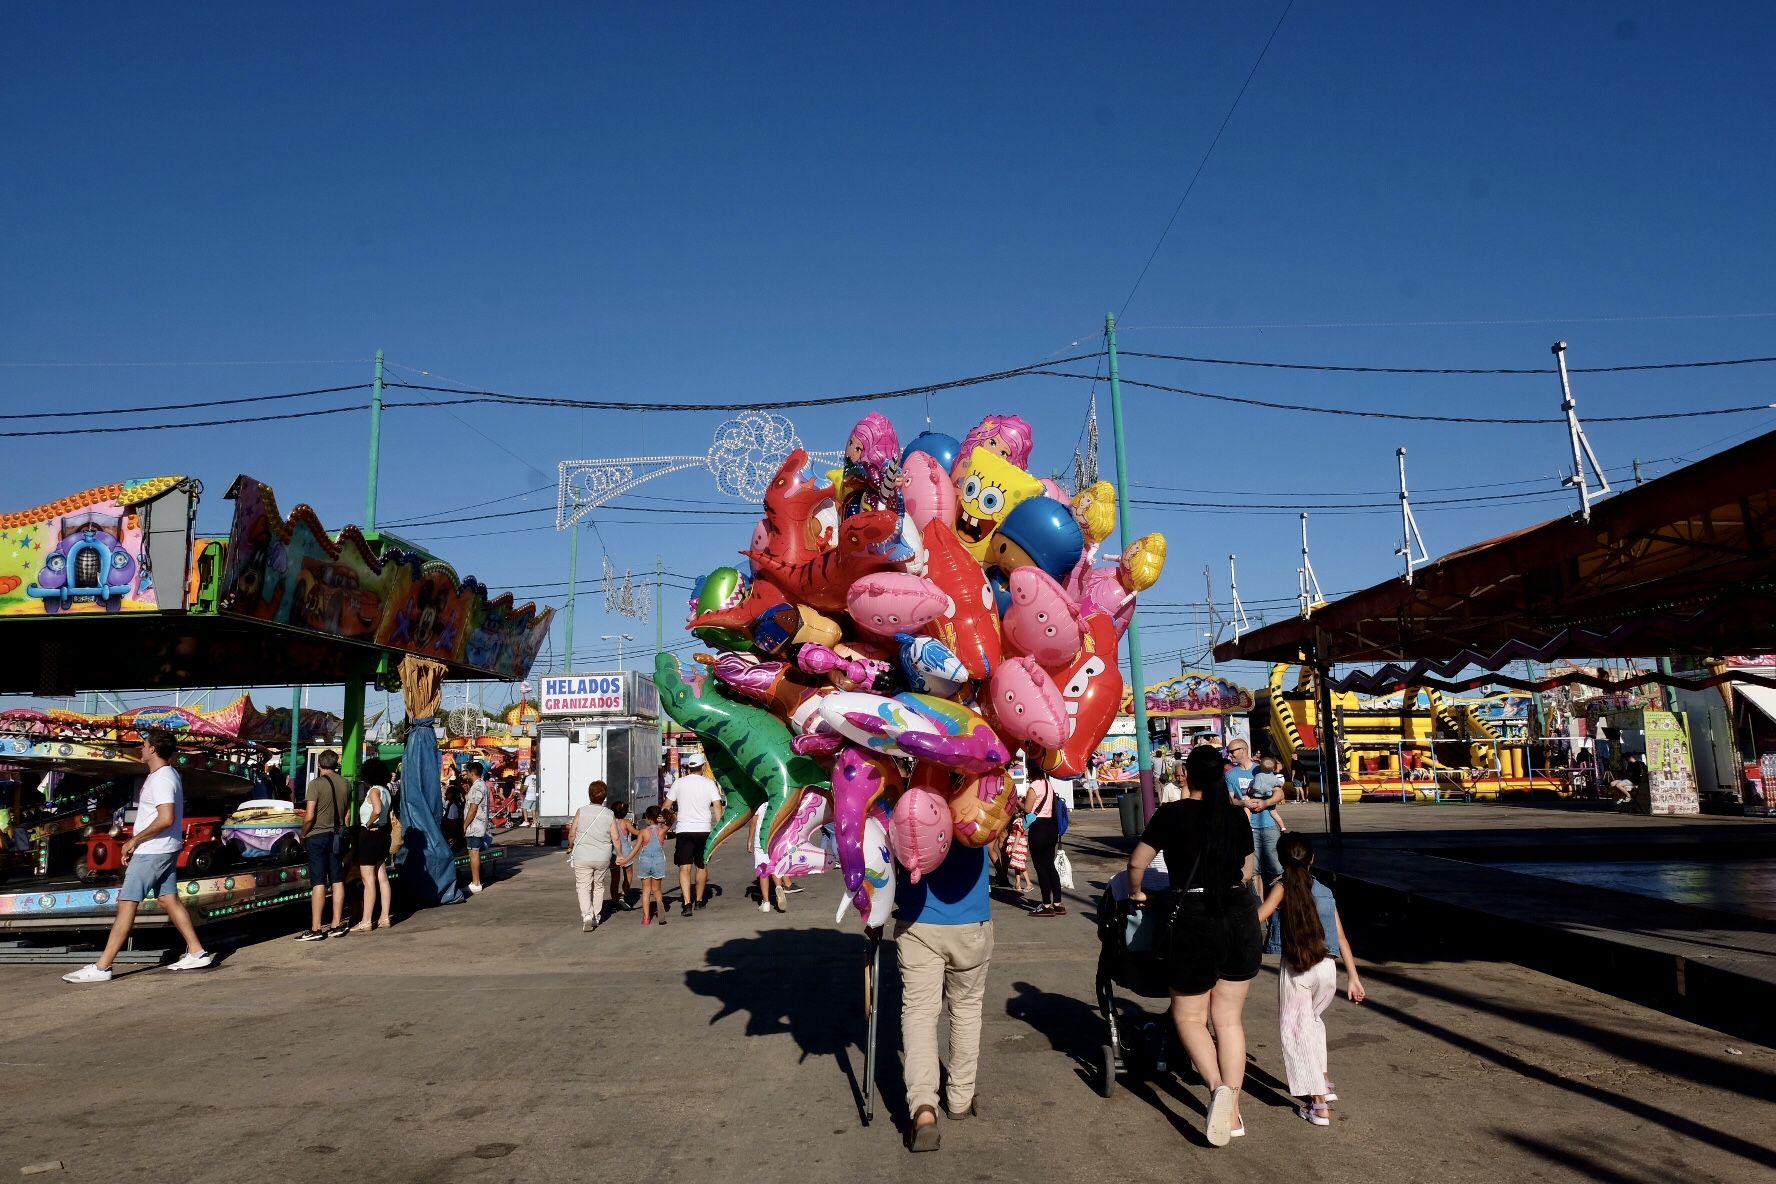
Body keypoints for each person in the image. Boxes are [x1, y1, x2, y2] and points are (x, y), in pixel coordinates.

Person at [1126, 745, 1262, 1147]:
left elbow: (1137, 863)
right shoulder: (1236, 815)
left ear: (1187, 774)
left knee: (1189, 1017)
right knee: (1229, 1021)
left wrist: (1137, 893)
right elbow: (1249, 869)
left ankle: (1218, 1089)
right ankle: (1234, 1111)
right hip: (1238, 914)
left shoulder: (1171, 814)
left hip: (1194, 918)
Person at [62, 730, 215, 983]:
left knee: (126, 904)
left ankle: (102, 967)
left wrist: (134, 840)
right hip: (162, 848)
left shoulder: (161, 779)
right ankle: (197, 952)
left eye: (143, 745)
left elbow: (166, 818)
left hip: (152, 850)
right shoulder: (168, 775)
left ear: (153, 749)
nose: (140, 749)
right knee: (169, 900)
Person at [1257, 834, 1365, 1126]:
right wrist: (1353, 977)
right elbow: (1341, 937)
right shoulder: (1326, 891)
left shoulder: (1281, 889)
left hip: (1298, 968)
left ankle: (1318, 1105)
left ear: (1281, 860)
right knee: (1313, 1024)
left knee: (1295, 1031)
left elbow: (1258, 918)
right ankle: (1325, 1084)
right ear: (1312, 859)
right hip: (1328, 970)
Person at [896, 840, 993, 1152]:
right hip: (971, 920)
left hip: (917, 920)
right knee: (966, 1010)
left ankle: (924, 1110)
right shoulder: (977, 792)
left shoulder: (904, 791)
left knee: (919, 1014)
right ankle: (960, 1098)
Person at [296, 751, 352, 941]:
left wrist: (303, 834)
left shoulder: (315, 784)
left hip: (317, 837)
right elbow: (347, 815)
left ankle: (316, 928)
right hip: (337, 836)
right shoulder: (346, 784)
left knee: (318, 882)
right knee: (337, 880)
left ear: (319, 764)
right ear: (336, 764)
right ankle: (337, 924)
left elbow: (310, 815)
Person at [665, 751, 722, 917]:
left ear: (688, 767)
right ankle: (698, 900)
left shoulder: (679, 783)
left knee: (685, 867)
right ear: (703, 767)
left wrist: (666, 825)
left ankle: (687, 903)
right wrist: (719, 829)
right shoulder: (709, 783)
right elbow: (717, 807)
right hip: (703, 829)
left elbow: (666, 806)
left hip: (684, 829)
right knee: (702, 865)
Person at [1226, 738, 1281, 886]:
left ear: (1243, 750)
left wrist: (1265, 803)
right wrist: (1243, 802)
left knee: (1276, 868)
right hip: (1248, 828)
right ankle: (1259, 906)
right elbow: (1230, 800)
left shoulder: (1261, 768)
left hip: (1269, 825)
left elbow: (1279, 793)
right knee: (1253, 871)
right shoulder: (1230, 775)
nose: (1229, 755)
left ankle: (1277, 904)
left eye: (1231, 752)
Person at [567, 781, 621, 932]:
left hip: (582, 855)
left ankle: (587, 915)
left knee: (583, 886)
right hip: (602, 856)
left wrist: (571, 846)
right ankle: (597, 915)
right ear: (605, 796)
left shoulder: (581, 811)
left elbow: (572, 833)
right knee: (598, 885)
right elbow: (615, 838)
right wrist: (620, 854)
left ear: (589, 794)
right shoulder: (609, 814)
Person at [351, 757, 395, 932]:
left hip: (370, 835)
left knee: (368, 879)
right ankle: (384, 917)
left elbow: (376, 810)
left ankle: (366, 920)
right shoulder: (386, 790)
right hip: (383, 835)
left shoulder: (374, 791)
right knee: (382, 877)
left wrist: (368, 823)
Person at [1022, 760, 1064, 917]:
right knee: (1050, 866)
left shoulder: (1034, 786)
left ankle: (1046, 905)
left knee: (1040, 867)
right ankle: (1058, 903)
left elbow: (1027, 808)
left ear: (1031, 770)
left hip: (1038, 828)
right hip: (1051, 827)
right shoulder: (1048, 784)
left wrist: (1018, 802)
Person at [621, 805, 670, 926]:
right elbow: (672, 819)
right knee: (657, 889)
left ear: (648, 819)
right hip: (658, 861)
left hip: (645, 862)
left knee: (646, 890)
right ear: (658, 817)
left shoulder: (643, 832)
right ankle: (659, 907)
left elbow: (636, 849)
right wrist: (664, 817)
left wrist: (625, 859)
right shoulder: (662, 830)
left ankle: (646, 917)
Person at [462, 761, 492, 894]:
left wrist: (464, 825)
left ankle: (476, 882)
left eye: (467, 772)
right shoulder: (480, 785)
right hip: (477, 825)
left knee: (473, 853)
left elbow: (473, 808)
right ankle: (475, 881)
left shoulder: (477, 787)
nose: (465, 774)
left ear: (472, 773)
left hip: (475, 826)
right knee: (473, 853)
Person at [612, 801, 638, 908]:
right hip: (626, 852)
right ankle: (623, 895)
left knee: (615, 878)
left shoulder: (610, 822)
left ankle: (614, 901)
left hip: (613, 852)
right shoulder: (626, 822)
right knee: (628, 874)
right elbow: (636, 833)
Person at [442, 774, 465, 849]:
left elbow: (452, 822)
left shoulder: (453, 806)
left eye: (447, 793)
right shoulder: (453, 804)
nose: (445, 794)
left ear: (452, 794)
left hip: (454, 835)